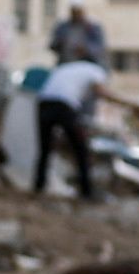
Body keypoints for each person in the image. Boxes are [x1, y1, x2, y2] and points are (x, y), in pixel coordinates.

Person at [29, 16, 110, 198]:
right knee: (80, 149)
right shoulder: (94, 70)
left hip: (43, 103)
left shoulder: (66, 68)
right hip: (63, 105)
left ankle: (38, 187)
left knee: (45, 149)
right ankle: (86, 191)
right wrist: (132, 105)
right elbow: (102, 92)